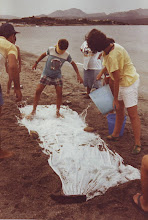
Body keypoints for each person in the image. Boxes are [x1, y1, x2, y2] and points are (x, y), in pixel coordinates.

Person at [87, 29, 141, 154]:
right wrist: (103, 74)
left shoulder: (113, 54)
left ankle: (138, 143)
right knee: (119, 110)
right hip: (120, 81)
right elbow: (109, 67)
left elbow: (116, 79)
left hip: (128, 83)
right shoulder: (109, 47)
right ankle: (116, 134)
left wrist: (115, 99)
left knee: (132, 114)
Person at [27, 39, 83, 119]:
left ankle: (57, 112)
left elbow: (73, 64)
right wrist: (36, 62)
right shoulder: (51, 49)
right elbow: (43, 55)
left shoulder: (66, 55)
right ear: (57, 45)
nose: (61, 52)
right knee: (38, 91)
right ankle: (33, 110)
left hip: (57, 76)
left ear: (66, 49)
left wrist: (78, 75)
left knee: (59, 93)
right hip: (46, 74)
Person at [0, 23, 22, 158]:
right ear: (11, 36)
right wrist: (18, 88)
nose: (15, 39)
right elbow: (13, 67)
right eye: (15, 36)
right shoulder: (10, 46)